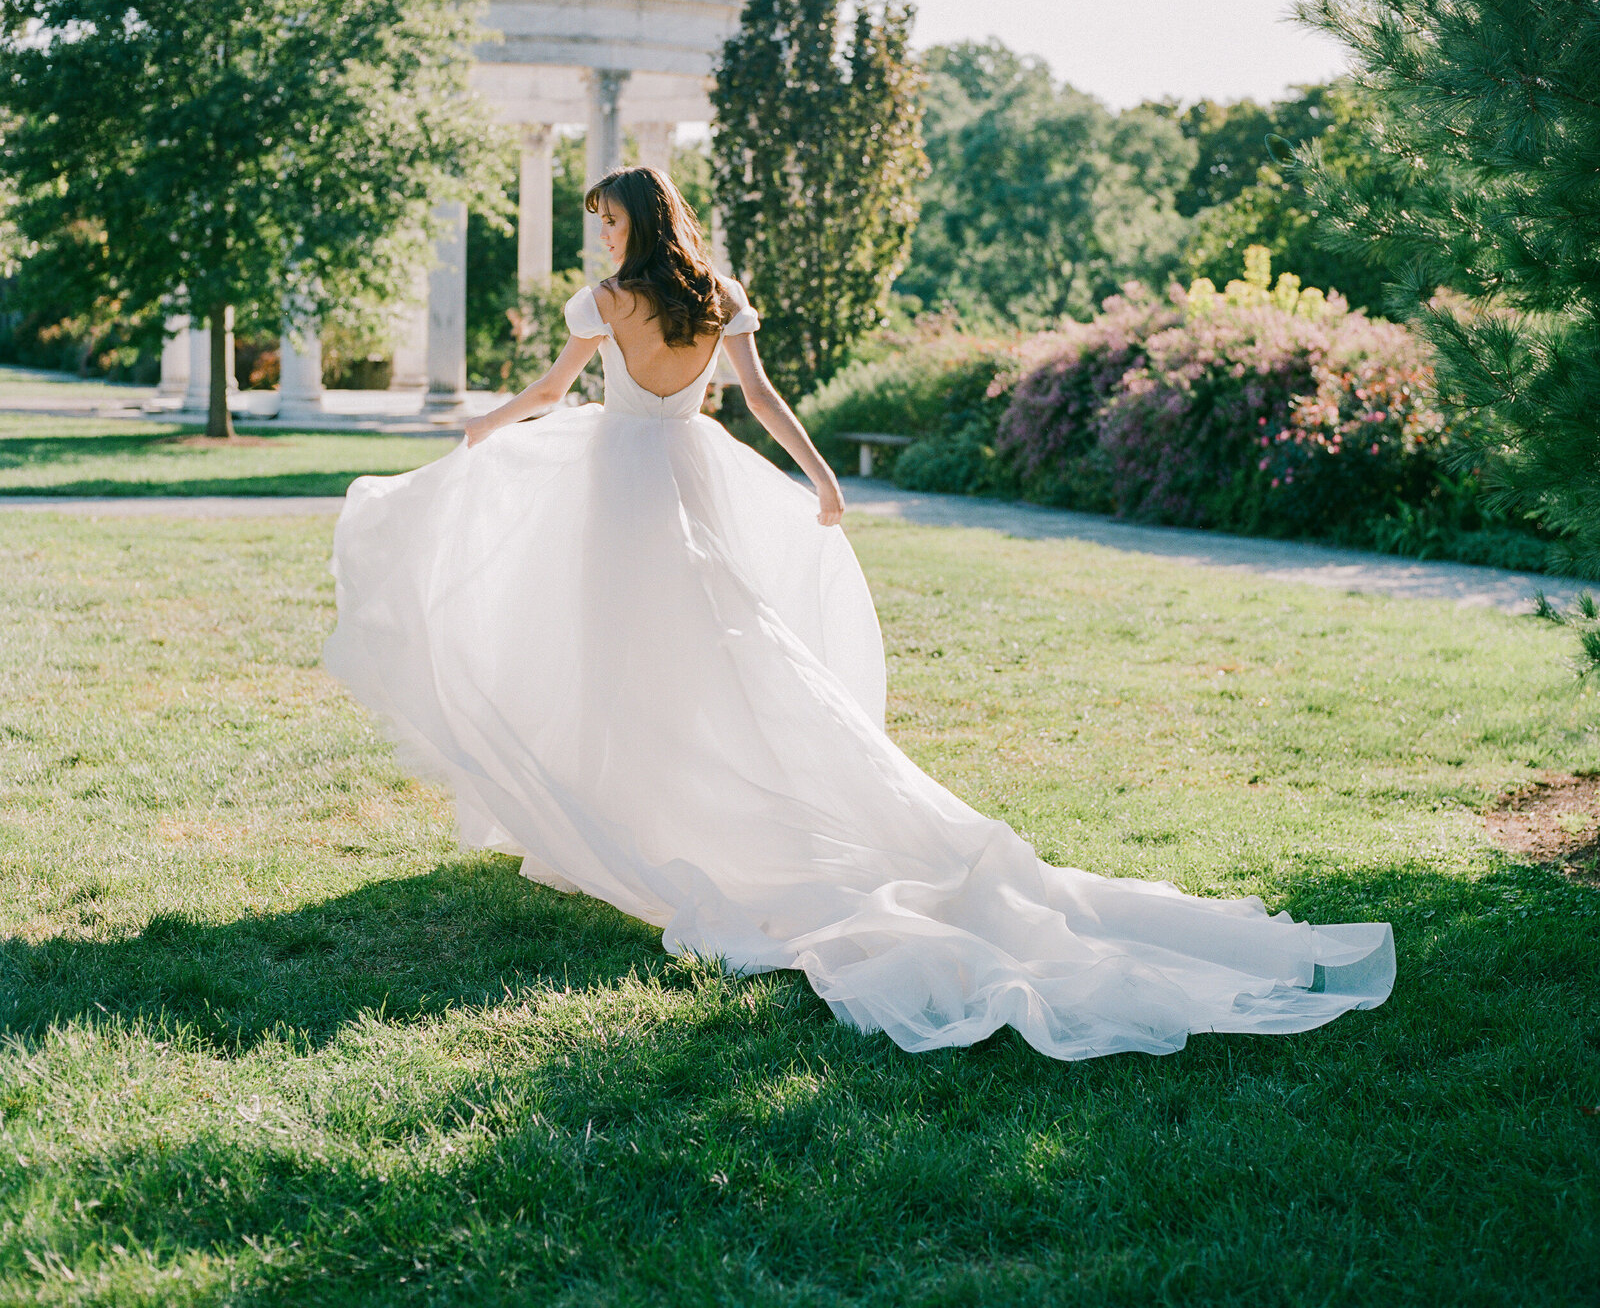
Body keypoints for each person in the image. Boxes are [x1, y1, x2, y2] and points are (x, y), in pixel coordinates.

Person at [324, 166, 1393, 1061]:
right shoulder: (715, 292)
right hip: (693, 474)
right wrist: (821, 475)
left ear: (627, 222)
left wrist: (485, 424)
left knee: (627, 655)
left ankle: (646, 825)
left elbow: (556, 394)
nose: (595, 232)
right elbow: (759, 402)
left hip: (622, 482)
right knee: (712, 647)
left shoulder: (606, 302)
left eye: (602, 218)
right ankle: (649, 817)